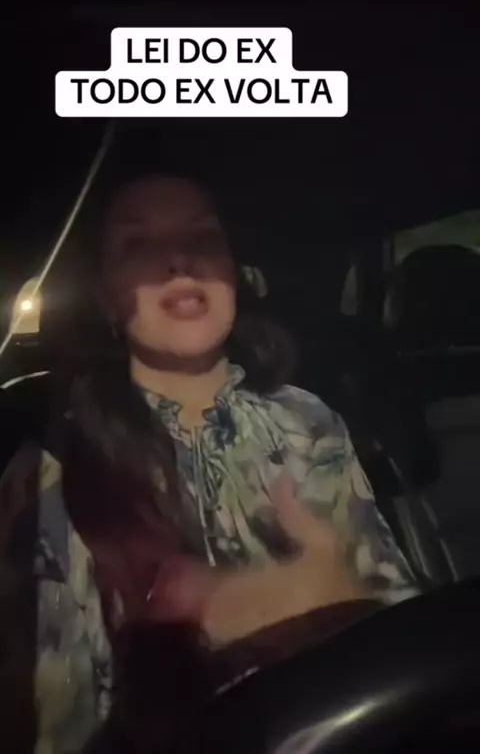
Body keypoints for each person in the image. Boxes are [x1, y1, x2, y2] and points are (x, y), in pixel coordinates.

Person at [0, 172, 418, 753]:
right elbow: (56, 725)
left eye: (202, 238)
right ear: (104, 296)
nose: (179, 260)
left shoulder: (308, 421)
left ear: (234, 273)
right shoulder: (52, 466)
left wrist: (340, 607)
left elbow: (404, 631)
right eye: (138, 244)